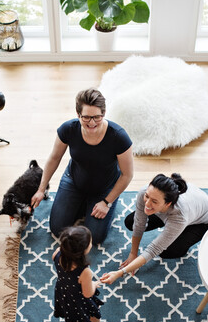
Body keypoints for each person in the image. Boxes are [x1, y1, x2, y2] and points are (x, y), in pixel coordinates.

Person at [31, 88, 133, 244]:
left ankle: (93, 204)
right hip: (74, 181)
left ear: (104, 114)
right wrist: (40, 189)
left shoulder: (119, 136)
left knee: (95, 237)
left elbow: (127, 175)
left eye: (97, 117)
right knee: (57, 228)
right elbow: (54, 158)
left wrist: (107, 202)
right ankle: (83, 203)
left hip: (104, 188)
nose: (91, 123)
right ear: (78, 114)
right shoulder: (68, 129)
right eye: (86, 117)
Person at [100, 173, 208, 285]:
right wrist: (133, 253)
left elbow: (153, 249)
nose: (147, 203)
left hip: (200, 223)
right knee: (130, 221)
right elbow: (139, 223)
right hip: (172, 209)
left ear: (167, 204)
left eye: (154, 201)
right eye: (147, 197)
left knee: (167, 252)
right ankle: (166, 222)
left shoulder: (180, 216)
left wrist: (120, 273)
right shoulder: (145, 193)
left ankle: (177, 235)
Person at [52, 225, 110, 322]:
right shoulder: (84, 271)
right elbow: (87, 293)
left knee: (68, 311)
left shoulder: (58, 252)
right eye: (90, 242)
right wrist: (93, 284)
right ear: (83, 251)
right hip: (78, 298)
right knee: (94, 313)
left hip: (62, 291)